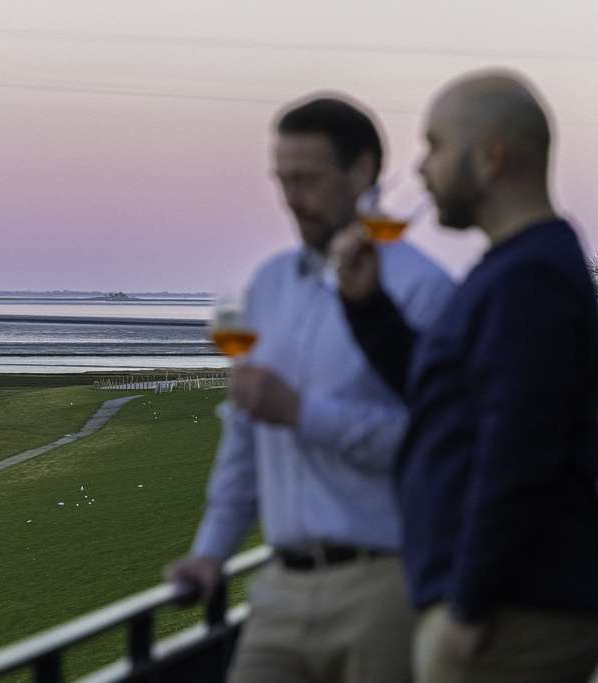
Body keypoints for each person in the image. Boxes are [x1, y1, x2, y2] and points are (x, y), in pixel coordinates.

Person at [332, 71, 598, 682]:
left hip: (509, 615)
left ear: (490, 157)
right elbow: (445, 399)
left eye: (435, 145)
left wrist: (469, 606)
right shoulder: (518, 268)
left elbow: (518, 455)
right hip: (507, 605)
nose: (421, 168)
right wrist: (369, 307)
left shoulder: (530, 279)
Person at [165, 96, 453, 682]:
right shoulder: (270, 284)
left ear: (363, 171)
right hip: (278, 590)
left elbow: (434, 444)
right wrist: (210, 553)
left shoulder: (423, 290)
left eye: (308, 179)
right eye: (282, 179)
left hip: (387, 588)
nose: (291, 198)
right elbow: (245, 435)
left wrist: (300, 412)